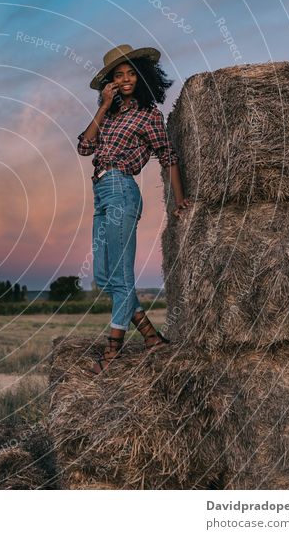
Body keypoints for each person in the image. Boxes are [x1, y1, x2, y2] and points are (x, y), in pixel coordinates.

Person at [76, 44, 190, 374]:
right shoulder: (109, 116)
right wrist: (104, 106)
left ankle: (112, 352)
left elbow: (168, 156)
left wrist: (179, 200)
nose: (125, 79)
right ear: (110, 83)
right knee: (103, 276)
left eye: (130, 73)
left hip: (122, 190)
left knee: (122, 276)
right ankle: (151, 336)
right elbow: (84, 147)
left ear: (140, 78)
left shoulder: (148, 116)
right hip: (101, 193)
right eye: (118, 76)